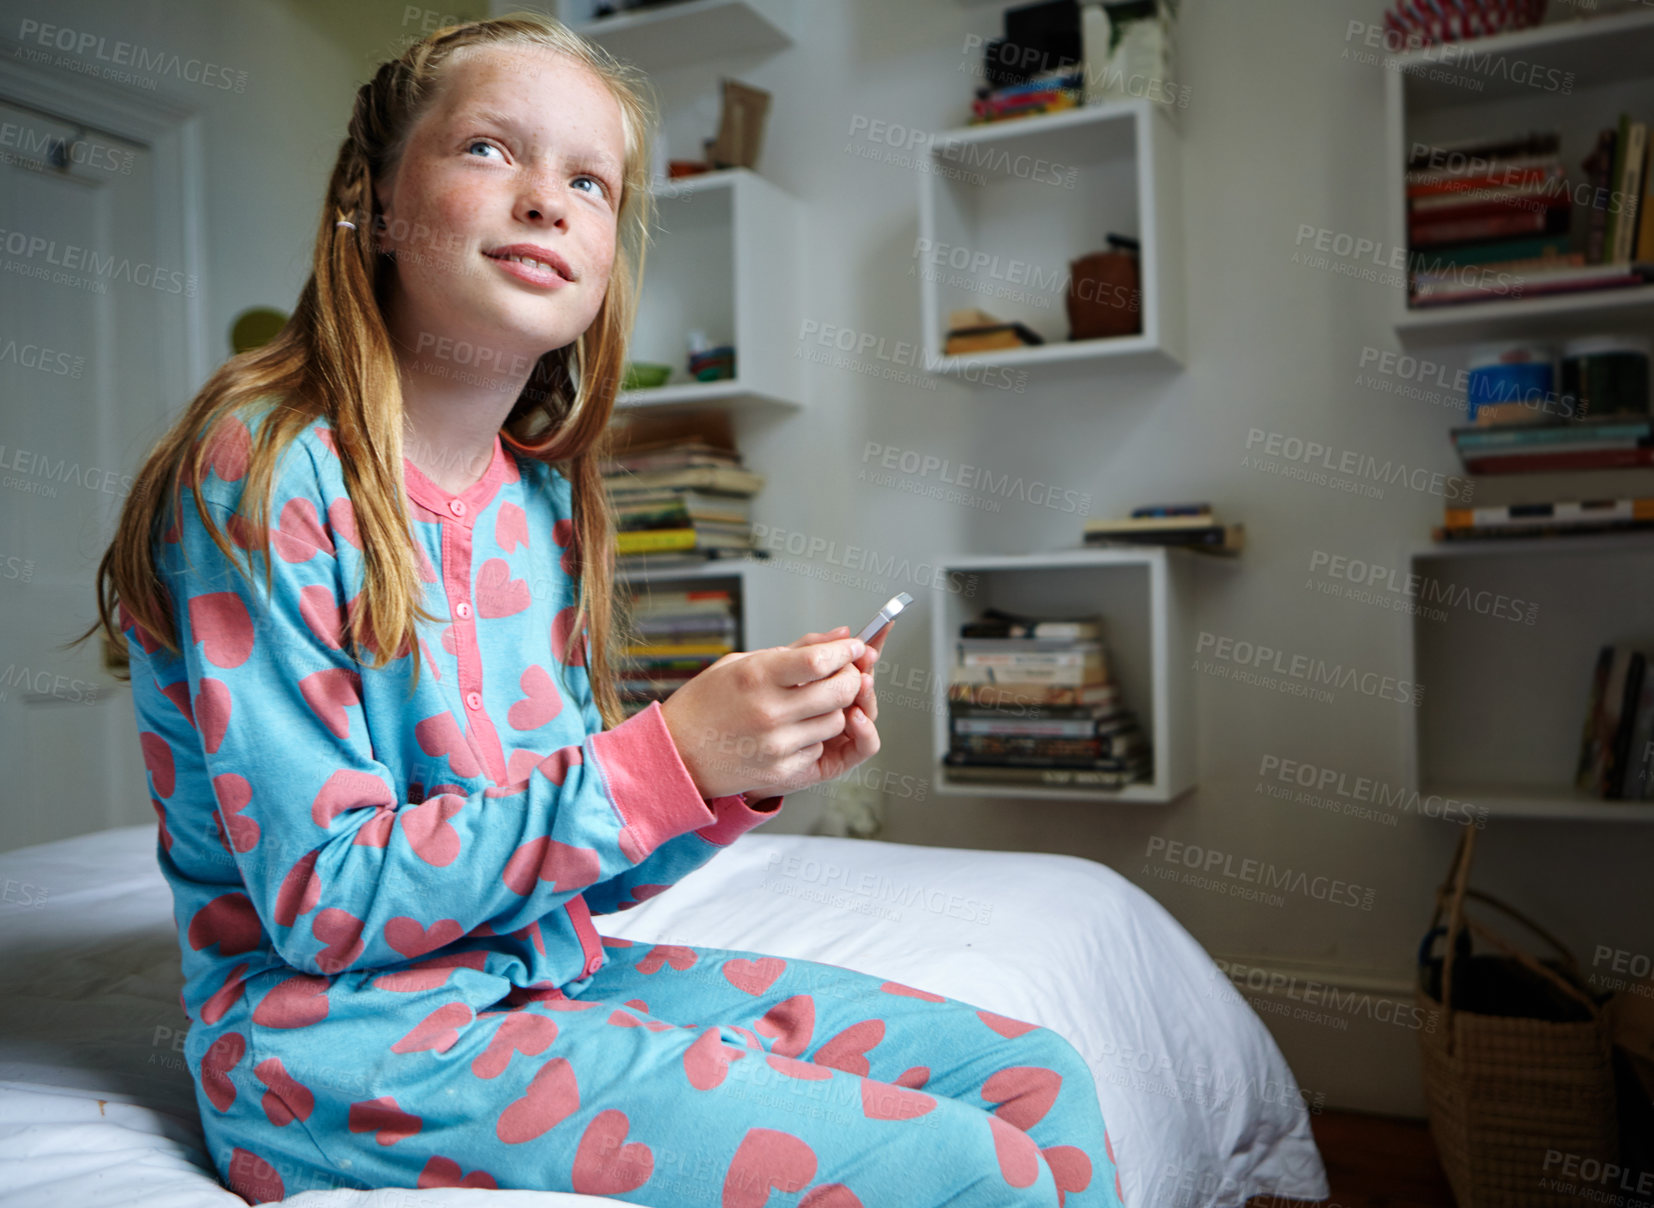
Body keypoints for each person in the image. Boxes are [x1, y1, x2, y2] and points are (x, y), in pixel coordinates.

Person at [86, 13, 1124, 1206]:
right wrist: (661, 753)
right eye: (488, 149)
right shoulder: (263, 472)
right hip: (349, 1052)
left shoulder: (540, 506)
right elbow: (324, 904)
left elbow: (571, 870)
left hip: (546, 981)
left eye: (589, 179)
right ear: (375, 203)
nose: (547, 199)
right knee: (965, 1168)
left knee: (1035, 1079)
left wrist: (729, 771)